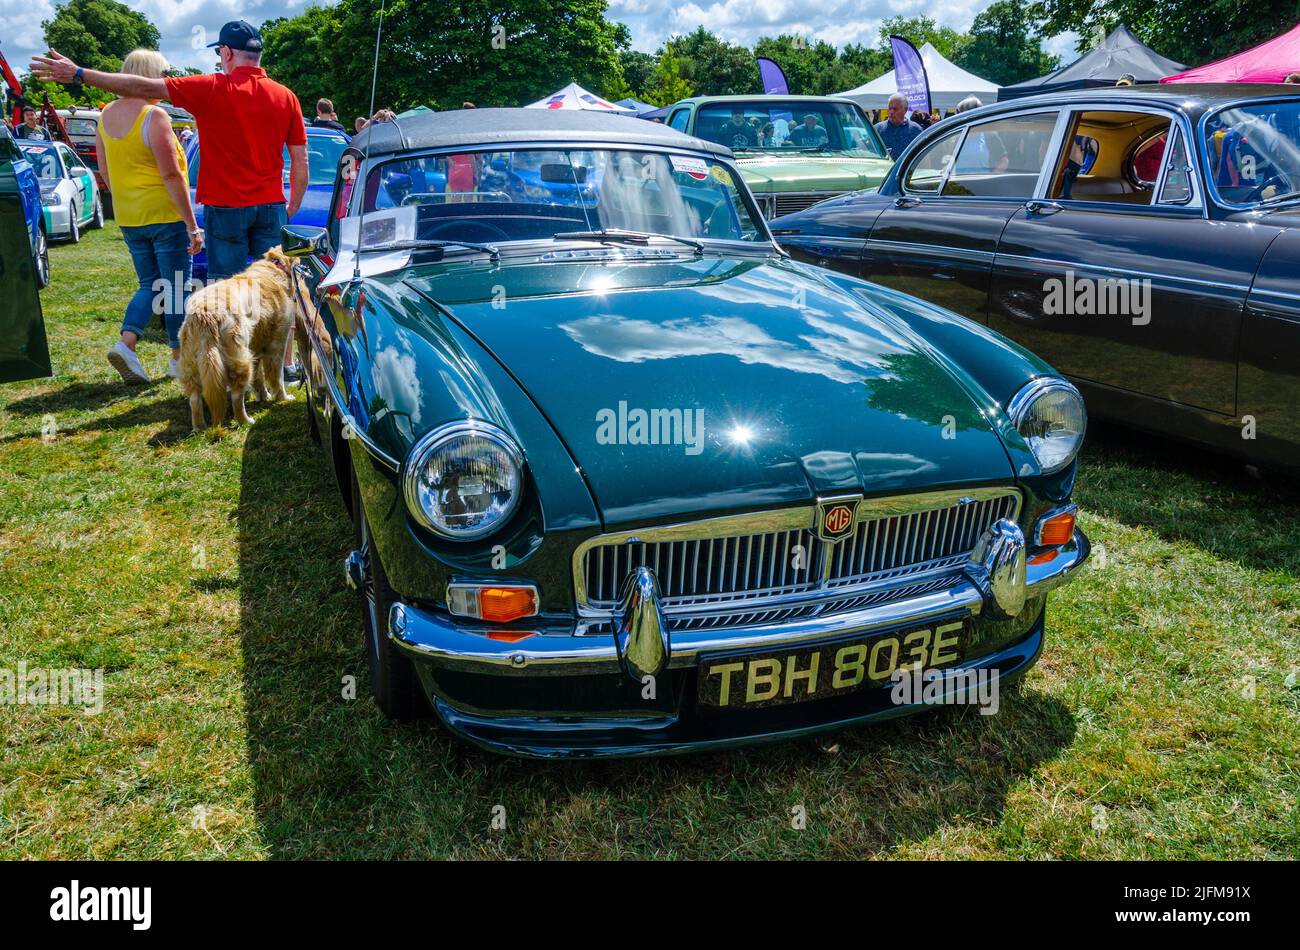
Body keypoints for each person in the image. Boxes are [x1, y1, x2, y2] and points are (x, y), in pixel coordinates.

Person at [34, 20, 308, 381]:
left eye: (219, 53)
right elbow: (300, 160)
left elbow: (140, 86)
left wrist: (80, 74)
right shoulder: (286, 96)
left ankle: (228, 369)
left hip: (225, 208)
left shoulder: (210, 88)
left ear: (227, 52)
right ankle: (285, 368)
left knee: (225, 294)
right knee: (277, 289)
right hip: (271, 205)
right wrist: (290, 206)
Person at [95, 50, 203, 384]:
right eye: (164, 74)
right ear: (148, 76)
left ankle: (127, 343)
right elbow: (171, 174)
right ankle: (178, 358)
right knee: (175, 288)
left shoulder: (104, 116)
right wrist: (192, 224)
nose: (167, 81)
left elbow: (104, 170)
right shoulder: (154, 116)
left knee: (149, 284)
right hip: (164, 212)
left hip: (129, 215)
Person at [874, 93, 923, 159]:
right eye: (890, 108)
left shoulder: (916, 130)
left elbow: (923, 156)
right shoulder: (877, 130)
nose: (891, 112)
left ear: (905, 110)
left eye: (895, 109)